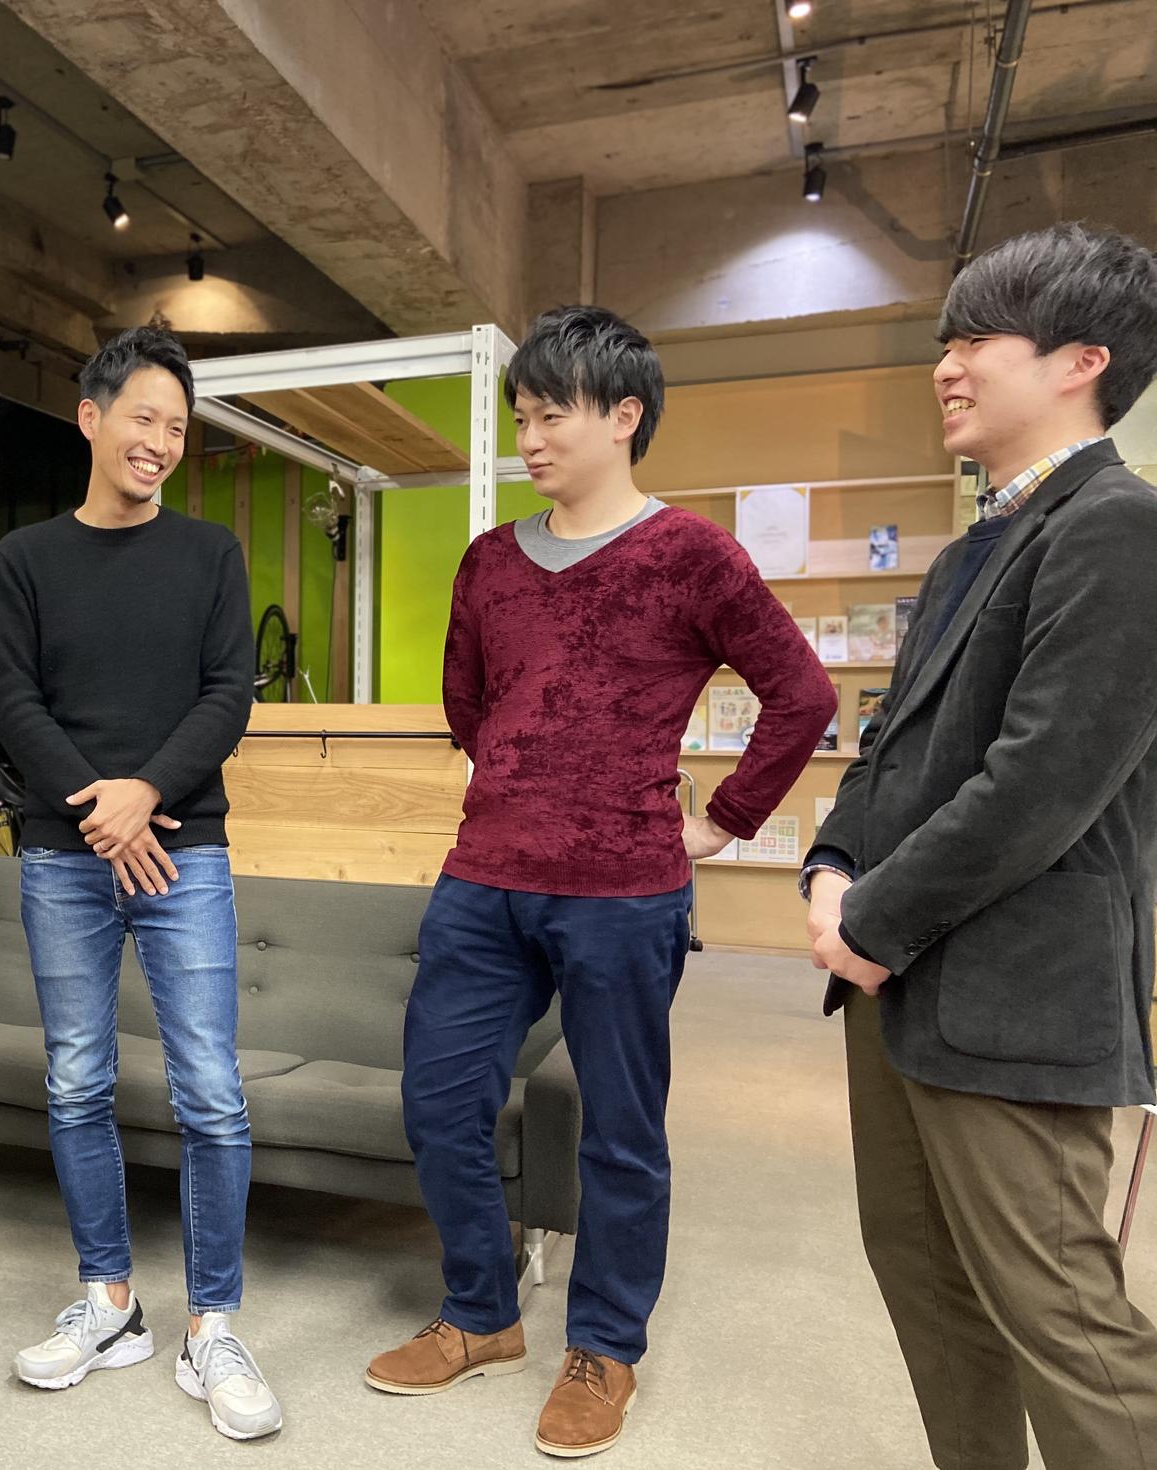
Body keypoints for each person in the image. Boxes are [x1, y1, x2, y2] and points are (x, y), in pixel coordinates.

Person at [366, 306, 837, 1458]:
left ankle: (604, 1347)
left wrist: (723, 821)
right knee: (438, 1101)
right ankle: (480, 1315)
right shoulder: (489, 561)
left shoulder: (690, 554)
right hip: (483, 879)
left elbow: (802, 695)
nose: (528, 439)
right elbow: (467, 702)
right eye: (520, 417)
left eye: (551, 416)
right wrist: (523, 783)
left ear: (624, 416)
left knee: (619, 1131)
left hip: (625, 892)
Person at [803, 222, 1157, 1470]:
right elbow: (888, 747)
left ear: (1080, 360)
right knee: (923, 1275)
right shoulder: (972, 546)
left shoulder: (1117, 526)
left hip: (1013, 994)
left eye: (975, 341)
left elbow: (1041, 782)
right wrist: (829, 865)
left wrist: (867, 917)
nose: (944, 367)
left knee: (1062, 1317)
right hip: (896, 981)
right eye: (941, 343)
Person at [0, 326, 280, 1441]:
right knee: (76, 1081)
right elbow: (14, 701)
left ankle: (212, 1326)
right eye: (142, 417)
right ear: (91, 418)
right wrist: (98, 813)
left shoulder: (209, 554)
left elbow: (228, 693)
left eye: (177, 426)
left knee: (211, 1090)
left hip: (183, 847)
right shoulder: (26, 558)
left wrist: (143, 793)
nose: (159, 440)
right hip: (64, 855)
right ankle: (110, 1303)